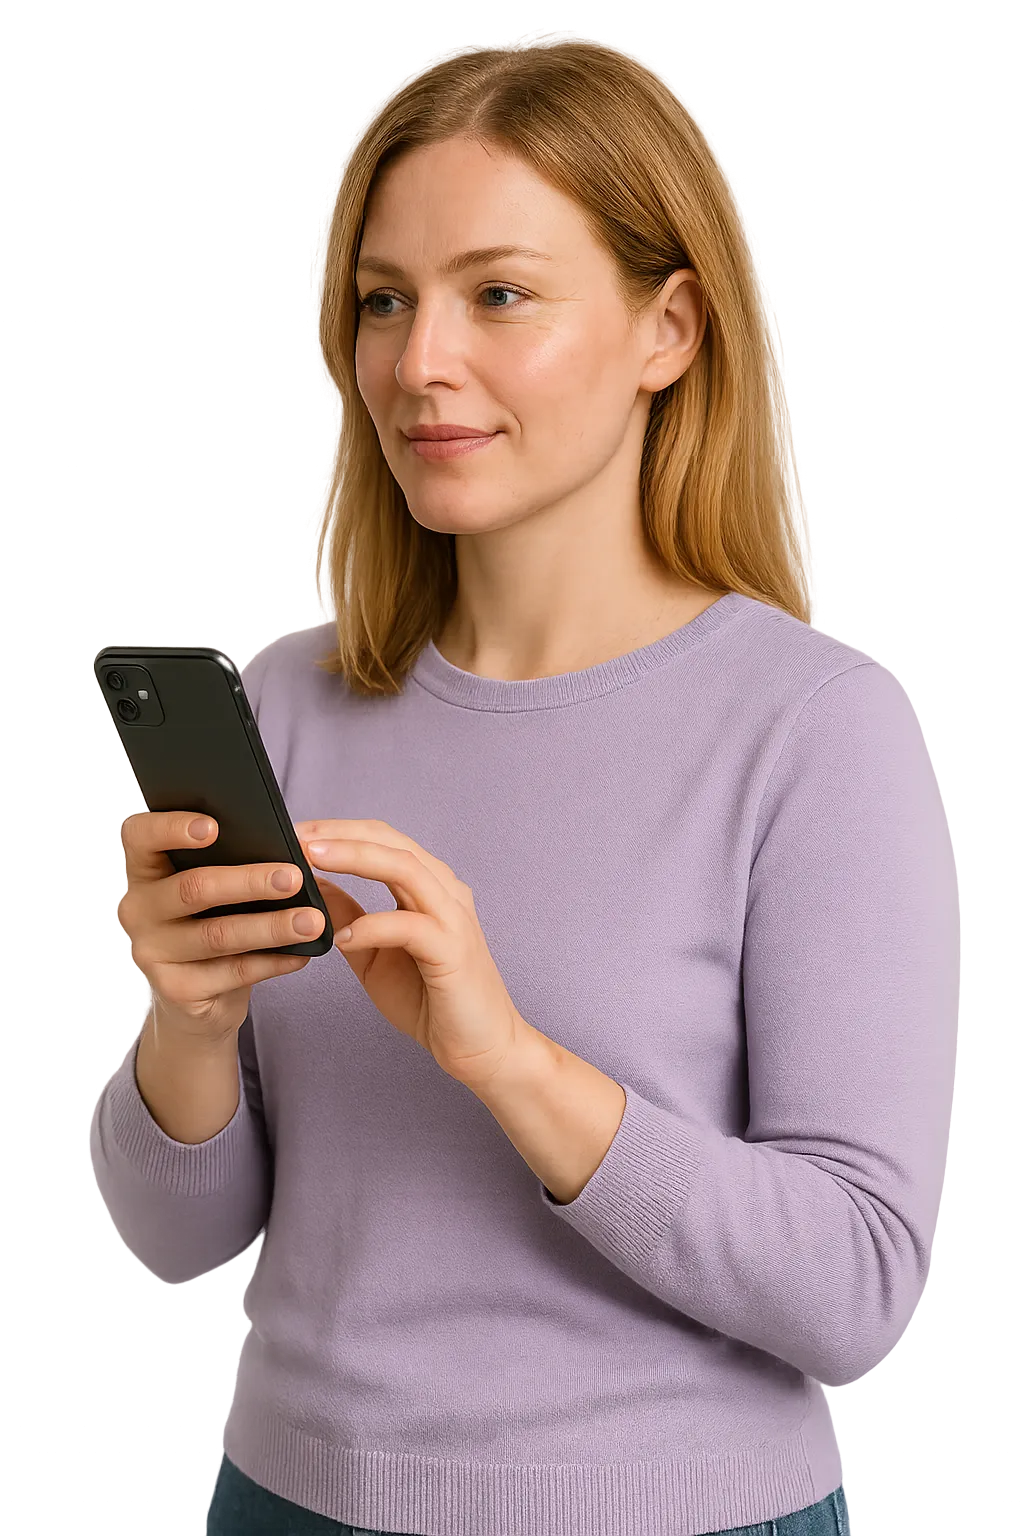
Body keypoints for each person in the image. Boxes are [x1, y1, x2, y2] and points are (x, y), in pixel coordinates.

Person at [88, 40, 957, 1536]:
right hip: (286, 1503)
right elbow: (183, 1243)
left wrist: (509, 1061)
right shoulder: (283, 706)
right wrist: (191, 1025)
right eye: (384, 299)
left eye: (499, 293)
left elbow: (856, 1286)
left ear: (666, 328)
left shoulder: (810, 728)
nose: (420, 361)